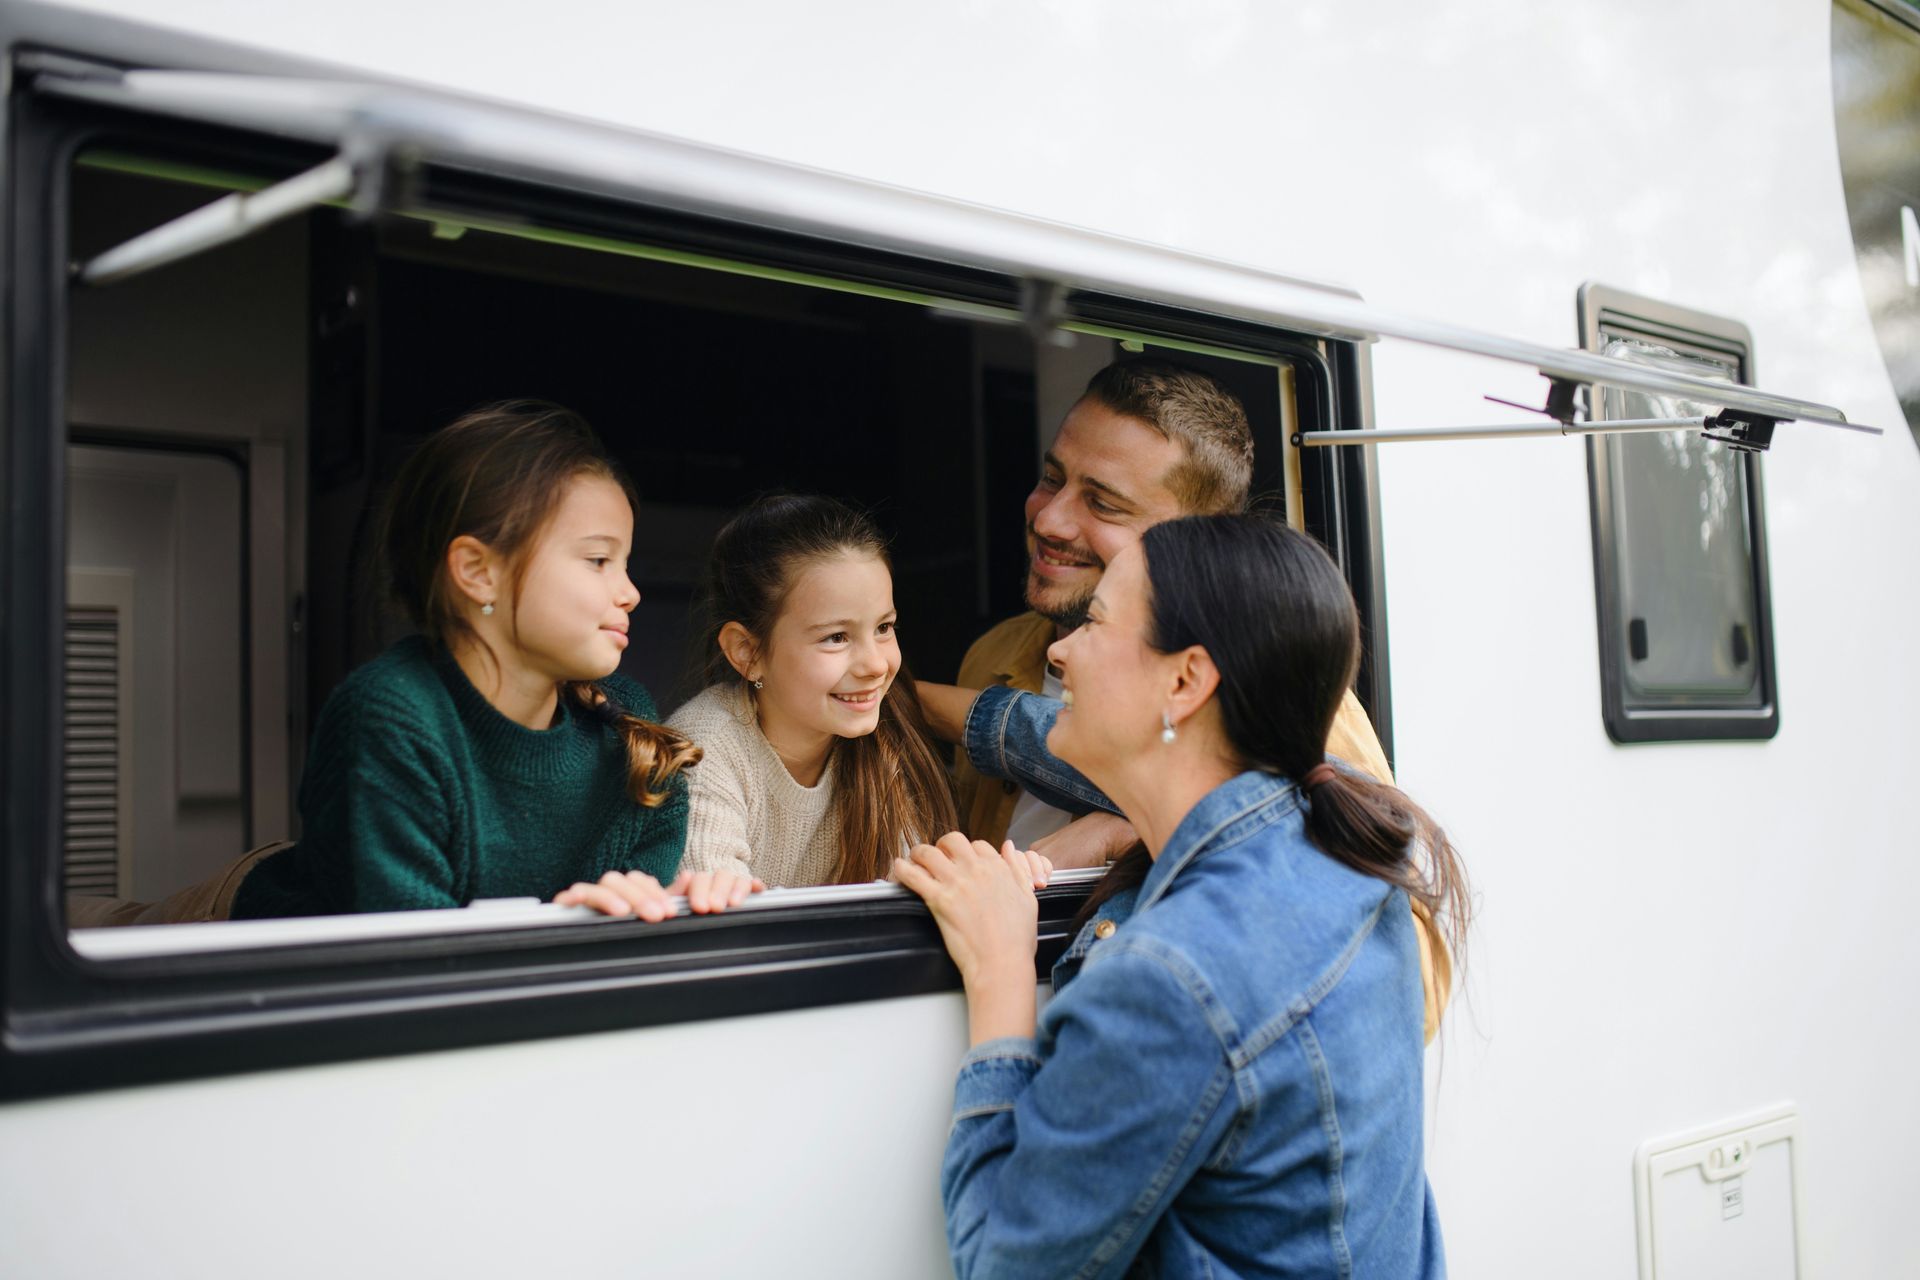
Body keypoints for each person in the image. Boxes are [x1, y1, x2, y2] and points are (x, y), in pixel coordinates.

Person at [894, 514, 1467, 1278]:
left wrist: (1001, 981)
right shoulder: (1350, 839)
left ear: (1185, 680)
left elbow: (1007, 1263)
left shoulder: (1171, 978)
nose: (1059, 651)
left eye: (1094, 622)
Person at [232, 401, 721, 921]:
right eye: (598, 560)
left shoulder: (625, 721)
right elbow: (405, 960)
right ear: (478, 572)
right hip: (231, 947)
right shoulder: (391, 715)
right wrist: (558, 929)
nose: (630, 594)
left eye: (624, 563)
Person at [941, 356, 1393, 869]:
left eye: (1104, 503)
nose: (1049, 519)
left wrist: (1133, 828)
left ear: (1199, 539)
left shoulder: (1289, 701)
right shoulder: (996, 652)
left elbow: (1350, 874)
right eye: (1051, 477)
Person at [667, 493, 1045, 890]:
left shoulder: (881, 743)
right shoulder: (704, 754)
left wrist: (997, 879)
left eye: (884, 628)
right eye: (836, 637)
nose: (876, 666)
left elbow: (910, 907)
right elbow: (723, 934)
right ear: (747, 653)